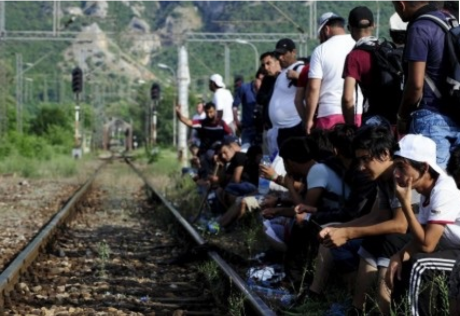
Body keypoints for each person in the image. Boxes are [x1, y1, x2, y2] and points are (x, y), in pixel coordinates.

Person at [319, 126, 411, 315]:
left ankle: (379, 310)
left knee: (384, 241)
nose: (361, 167)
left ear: (385, 154)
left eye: (365, 159)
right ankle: (356, 309)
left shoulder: (401, 174)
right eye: (359, 159)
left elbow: (401, 225)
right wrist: (341, 228)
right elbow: (379, 216)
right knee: (365, 240)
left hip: (425, 236)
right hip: (406, 234)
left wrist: (348, 233)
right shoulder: (383, 176)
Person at [386, 134, 460, 316]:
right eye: (396, 167)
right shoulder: (427, 189)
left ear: (424, 167)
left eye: (402, 167)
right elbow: (421, 238)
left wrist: (405, 204)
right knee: (402, 261)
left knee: (421, 265)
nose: (396, 174)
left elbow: (427, 245)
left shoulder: (444, 189)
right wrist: (398, 256)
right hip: (452, 247)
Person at [392, 1, 460, 168]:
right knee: (451, 190)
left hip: (431, 117)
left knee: (432, 186)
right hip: (456, 113)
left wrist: (401, 116)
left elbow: (415, 85)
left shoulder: (420, 27)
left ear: (401, 4)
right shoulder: (450, 20)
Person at [305, 12, 361, 134]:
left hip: (329, 114)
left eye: (320, 34)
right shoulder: (357, 44)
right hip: (357, 111)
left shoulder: (320, 50)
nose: (320, 38)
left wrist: (309, 119)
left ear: (326, 29)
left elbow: (313, 88)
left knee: (328, 152)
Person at [269, 38, 305, 148]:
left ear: (293, 52)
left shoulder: (300, 68)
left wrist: (298, 77)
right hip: (279, 129)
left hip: (293, 127)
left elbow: (313, 85)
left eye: (283, 54)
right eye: (278, 54)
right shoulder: (283, 72)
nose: (280, 58)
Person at [233, 68, 264, 147]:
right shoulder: (244, 88)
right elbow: (235, 105)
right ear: (256, 78)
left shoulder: (266, 90)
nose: (261, 83)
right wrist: (236, 121)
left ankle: (265, 159)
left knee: (265, 154)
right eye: (260, 79)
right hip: (247, 128)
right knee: (245, 151)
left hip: (262, 129)